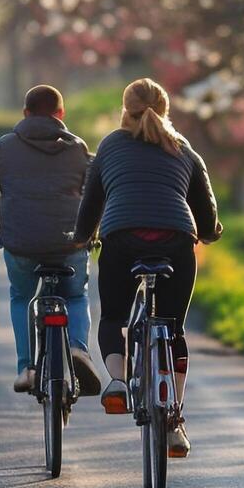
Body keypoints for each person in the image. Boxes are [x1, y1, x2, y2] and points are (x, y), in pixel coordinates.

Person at [72, 77, 221, 458]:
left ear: (125, 109)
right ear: (166, 110)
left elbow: (92, 200)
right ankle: (174, 419)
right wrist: (209, 232)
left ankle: (119, 383)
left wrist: (81, 235)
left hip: (121, 238)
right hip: (175, 240)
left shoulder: (110, 146)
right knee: (174, 328)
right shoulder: (184, 150)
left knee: (114, 318)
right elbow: (206, 212)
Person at [0, 84, 103, 396]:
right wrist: (95, 232)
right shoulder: (78, 148)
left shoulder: (5, 147)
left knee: (22, 297)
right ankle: (78, 349)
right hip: (69, 244)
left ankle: (26, 367)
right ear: (61, 114)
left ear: (25, 113)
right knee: (76, 296)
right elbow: (96, 194)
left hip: (21, 244)